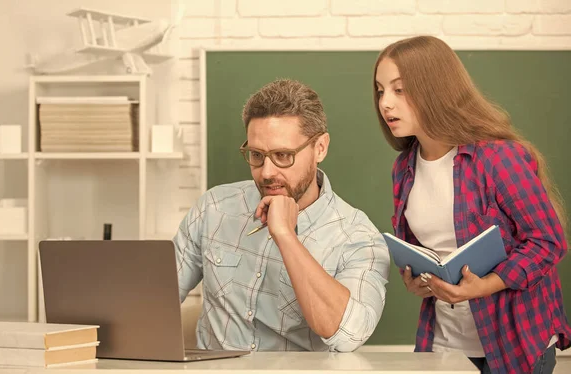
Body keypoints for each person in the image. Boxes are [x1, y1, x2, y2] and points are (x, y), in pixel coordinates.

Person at [373, 35, 571, 373]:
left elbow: (549, 241)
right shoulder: (403, 169)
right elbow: (426, 250)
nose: (385, 104)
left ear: (435, 89)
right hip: (443, 346)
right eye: (380, 91)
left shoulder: (498, 159)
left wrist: (487, 285)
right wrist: (416, 279)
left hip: (515, 346)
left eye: (399, 89)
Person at [173, 78, 390, 352]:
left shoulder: (358, 237)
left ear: (320, 148)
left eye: (283, 155)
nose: (266, 172)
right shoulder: (214, 207)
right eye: (256, 155)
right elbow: (155, 298)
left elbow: (348, 335)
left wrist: (286, 237)